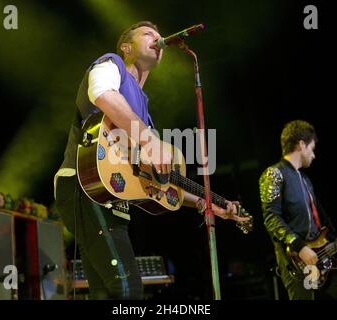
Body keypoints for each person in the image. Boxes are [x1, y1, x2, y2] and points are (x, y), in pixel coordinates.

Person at [54, 21, 249, 299]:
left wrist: (206, 203)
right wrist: (149, 140)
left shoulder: (143, 112)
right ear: (126, 47)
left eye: (159, 36)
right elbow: (101, 93)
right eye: (148, 34)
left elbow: (160, 182)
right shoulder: (112, 65)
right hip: (85, 185)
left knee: (105, 293)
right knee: (127, 289)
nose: (158, 39)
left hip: (112, 197)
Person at [259, 120, 337, 300]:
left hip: (323, 259)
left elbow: (318, 224)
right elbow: (271, 218)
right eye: (312, 148)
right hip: (296, 262)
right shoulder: (273, 173)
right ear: (302, 144)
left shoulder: (305, 180)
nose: (314, 155)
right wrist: (299, 247)